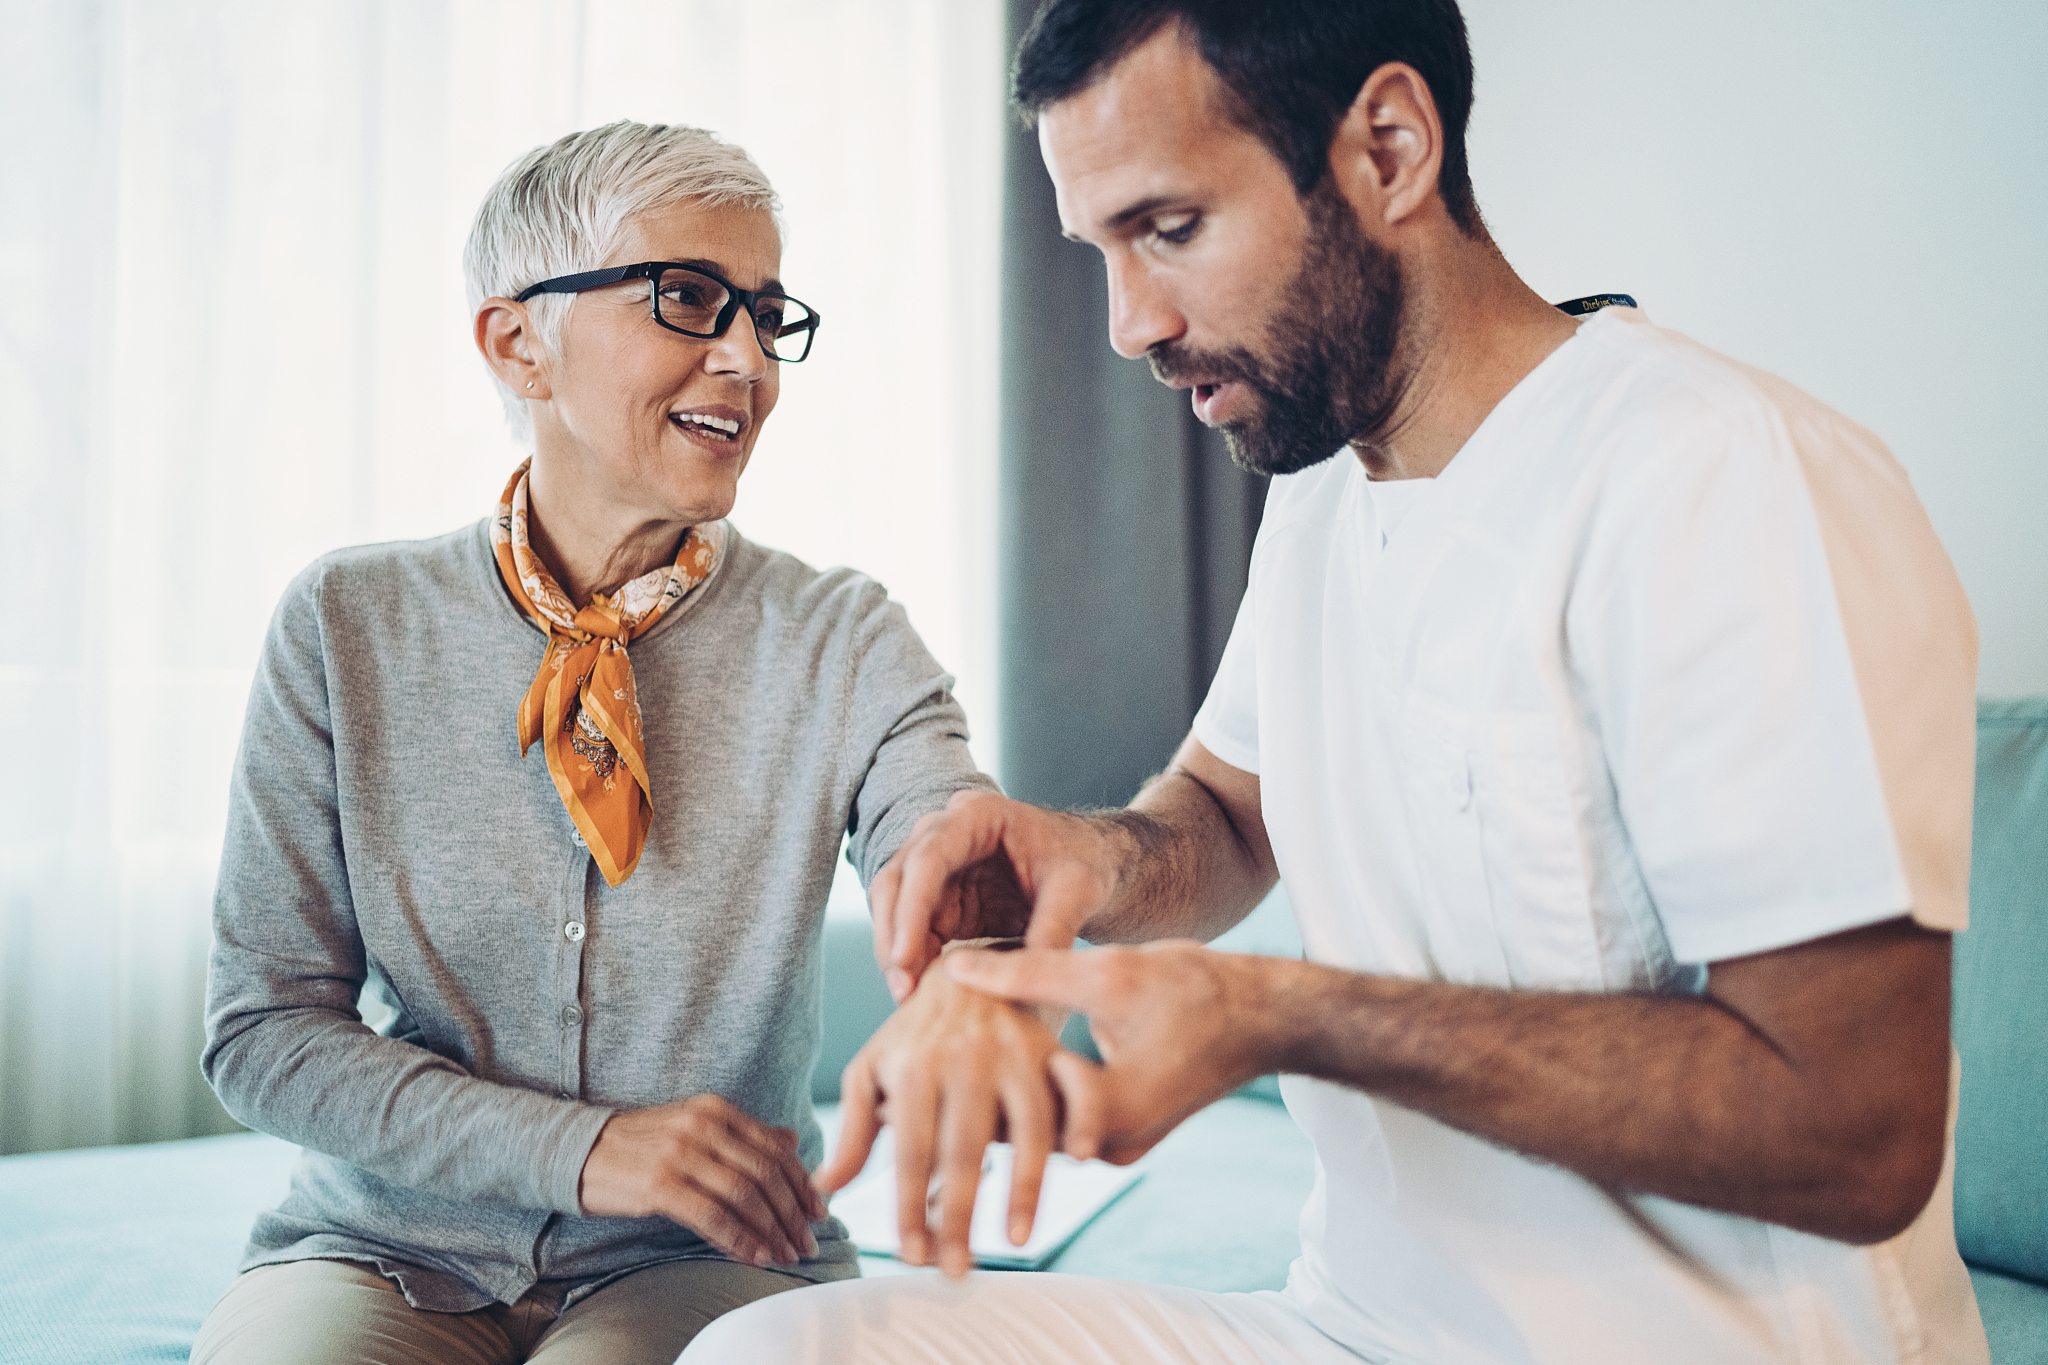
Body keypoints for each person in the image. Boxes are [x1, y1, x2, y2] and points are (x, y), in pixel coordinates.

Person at [686, 2, 1989, 1362]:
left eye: (1168, 228)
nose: (1130, 324)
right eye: (1101, 251)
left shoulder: (1721, 480)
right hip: (1360, 1328)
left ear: (1388, 147)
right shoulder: (1322, 489)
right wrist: (1074, 859)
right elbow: (1230, 815)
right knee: (772, 1353)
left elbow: (1857, 1129)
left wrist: (1274, 1015)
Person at [189, 121, 994, 1365]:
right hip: (383, 1255)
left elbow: (947, 847)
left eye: (766, 315)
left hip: (704, 1263)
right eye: (687, 299)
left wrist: (964, 950)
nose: (746, 360)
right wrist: (590, 1150)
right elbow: (264, 1034)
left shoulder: (843, 638)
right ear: (519, 342)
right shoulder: (344, 625)